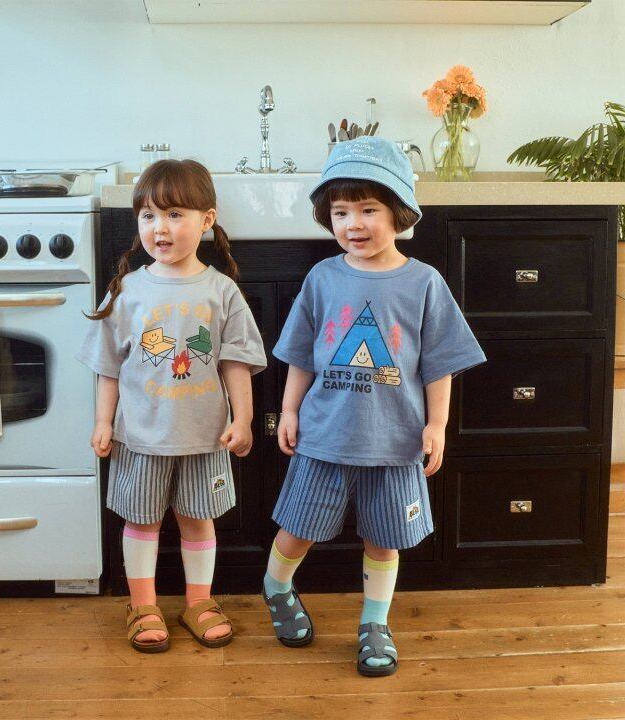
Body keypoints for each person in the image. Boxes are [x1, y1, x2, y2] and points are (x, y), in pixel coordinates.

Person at [262, 136, 486, 676]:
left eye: (368, 210)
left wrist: (437, 424)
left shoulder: (424, 283)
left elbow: (439, 363)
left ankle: (374, 622)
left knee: (384, 539)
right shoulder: (323, 278)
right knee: (298, 527)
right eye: (341, 212)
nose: (353, 224)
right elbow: (300, 355)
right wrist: (289, 411)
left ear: (398, 213)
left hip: (396, 440)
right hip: (324, 435)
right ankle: (276, 585)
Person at [77, 159, 267, 653]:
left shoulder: (222, 291)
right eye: (148, 216)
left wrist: (244, 418)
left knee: (198, 520)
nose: (159, 228)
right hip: (141, 435)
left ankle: (198, 602)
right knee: (141, 521)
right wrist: (102, 422)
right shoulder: (128, 290)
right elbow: (108, 367)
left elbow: (236, 362)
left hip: (206, 436)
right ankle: (142, 605)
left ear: (207, 220)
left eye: (174, 214)